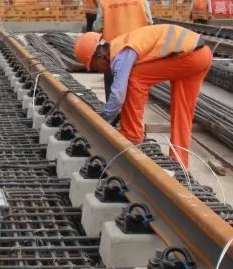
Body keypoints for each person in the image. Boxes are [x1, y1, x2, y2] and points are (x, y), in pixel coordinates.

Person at [74, 24, 212, 168]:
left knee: (134, 77)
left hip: (189, 56)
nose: (100, 71)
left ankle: (131, 134)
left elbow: (118, 95)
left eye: (96, 67)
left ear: (100, 56)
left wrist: (103, 119)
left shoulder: (121, 54)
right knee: (182, 112)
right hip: (202, 55)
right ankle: (179, 162)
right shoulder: (122, 44)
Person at [94, 0, 152, 99]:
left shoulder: (105, 1)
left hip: (114, 53)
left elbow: (97, 27)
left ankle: (112, 117)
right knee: (135, 88)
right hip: (138, 51)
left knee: (112, 85)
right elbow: (149, 22)